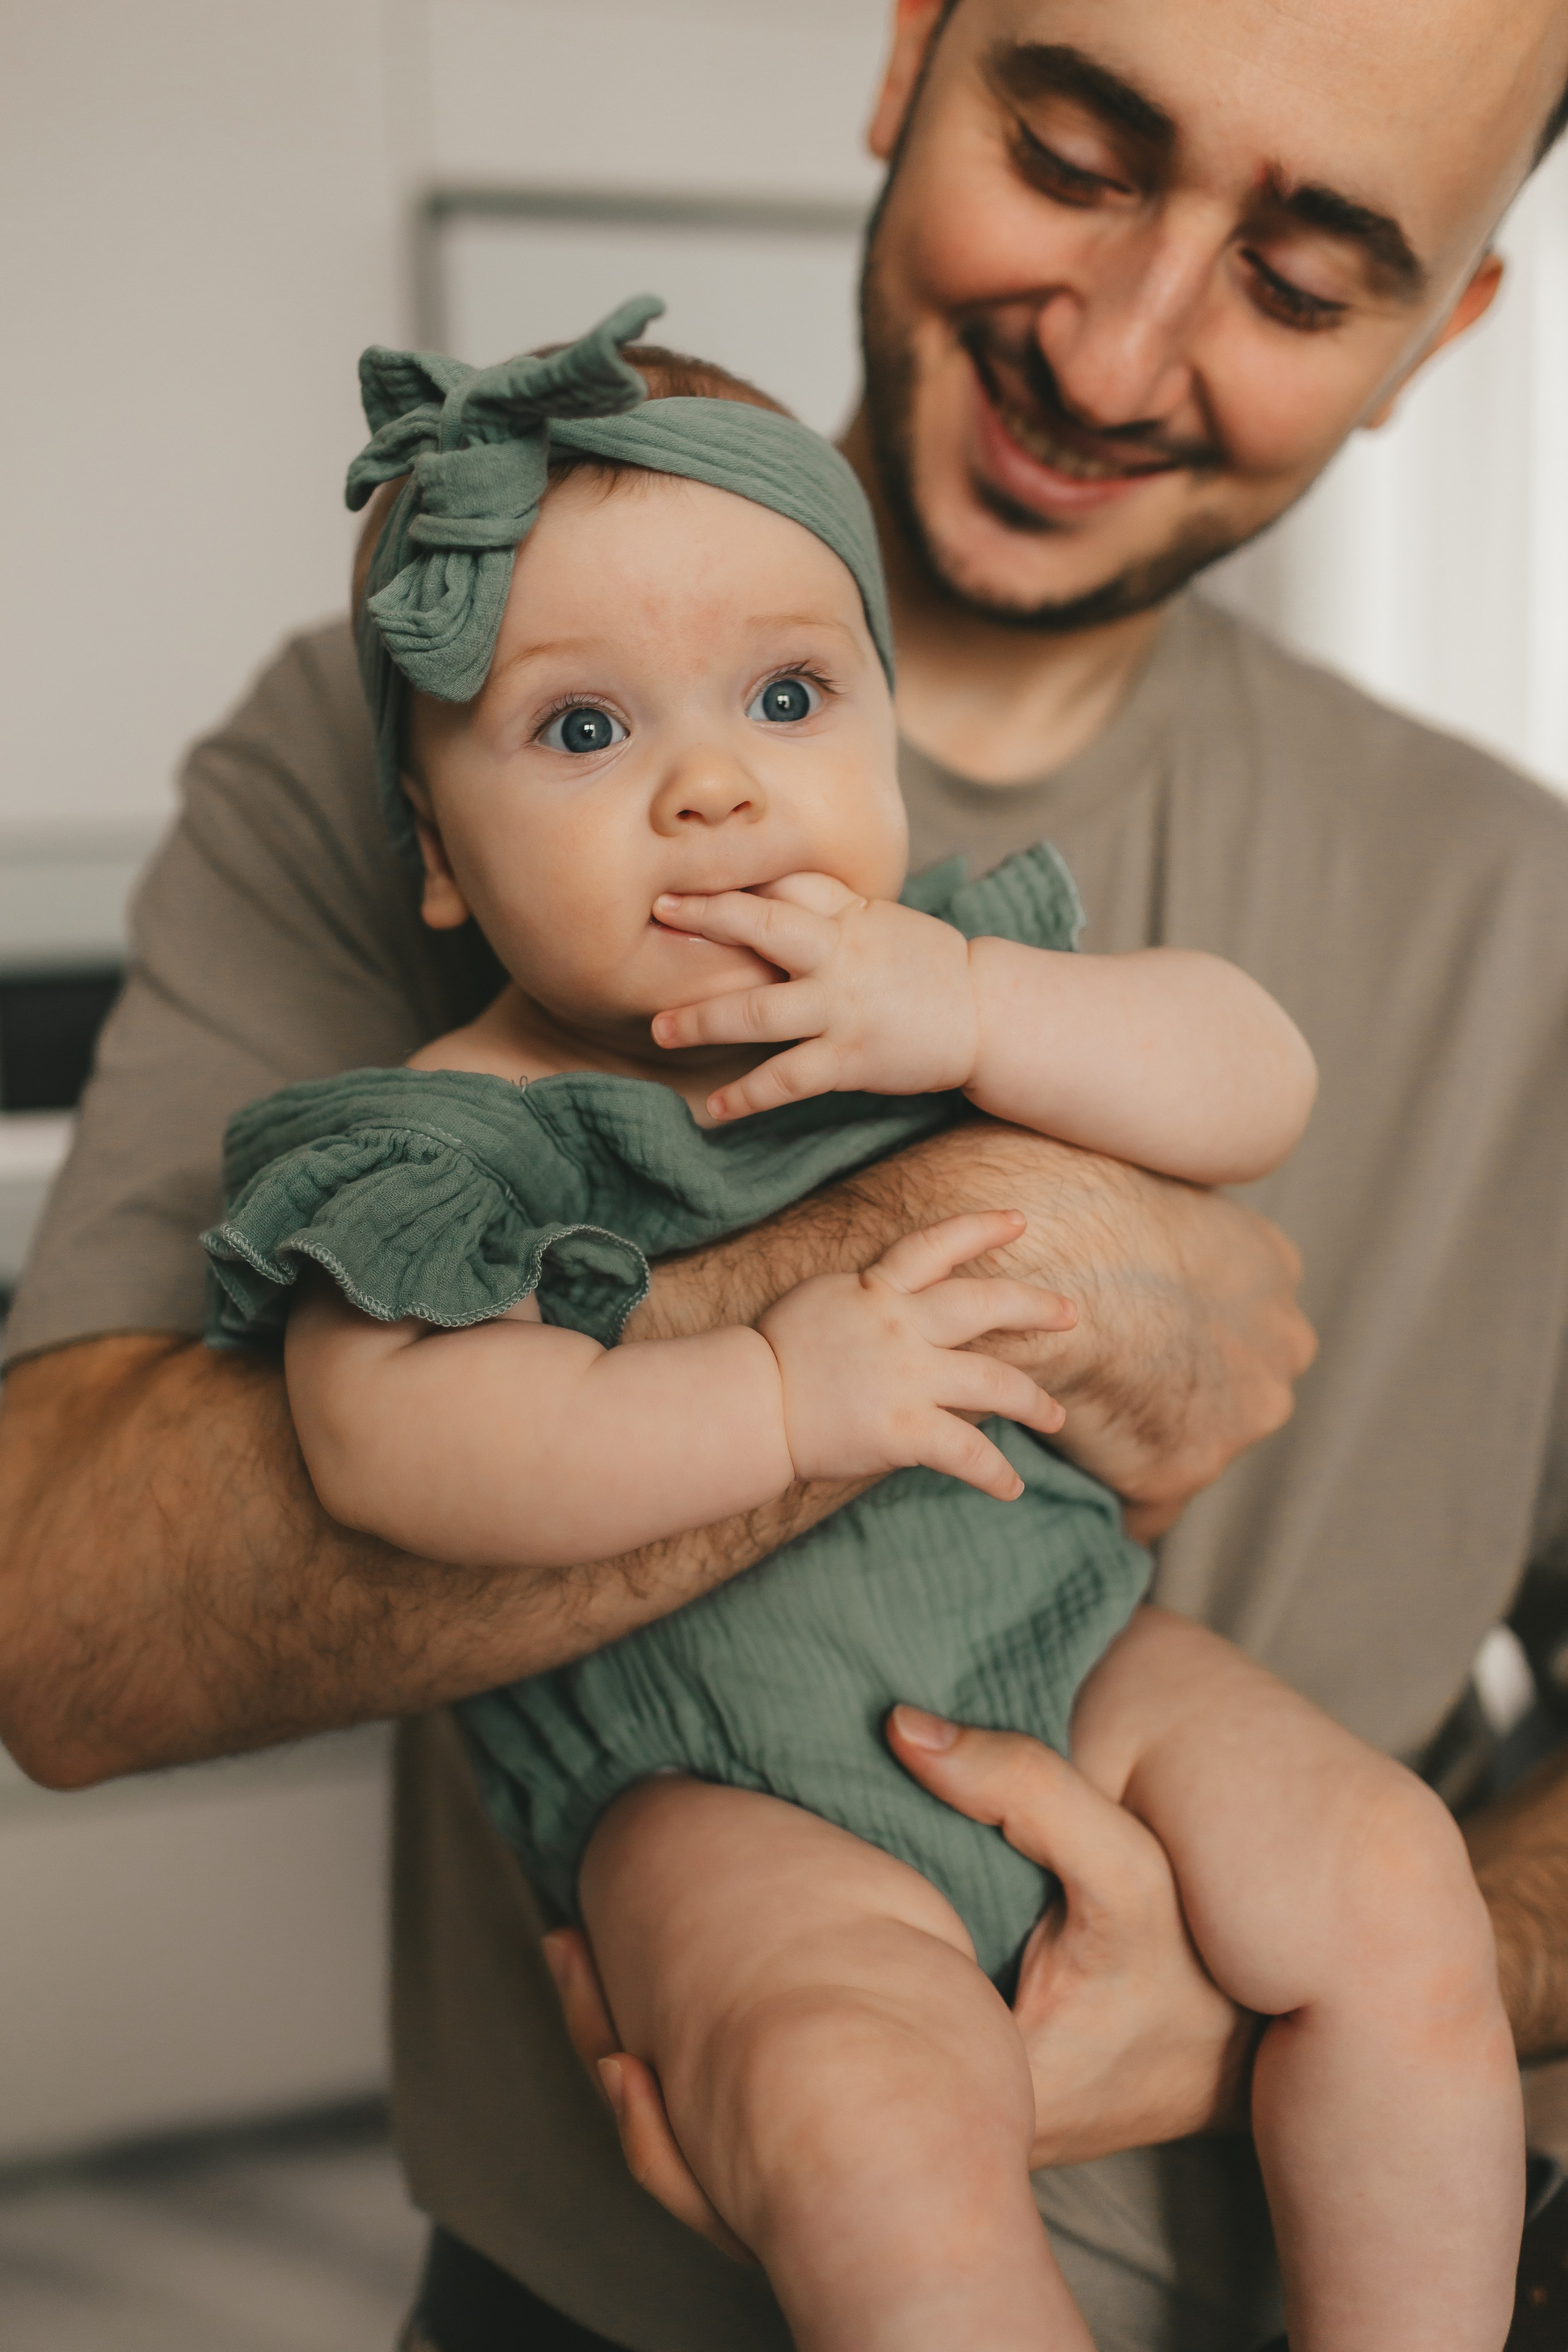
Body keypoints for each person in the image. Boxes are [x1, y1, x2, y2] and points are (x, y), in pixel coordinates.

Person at [2, 0, 1568, 2345]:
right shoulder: (429, 1097)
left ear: (1441, 328)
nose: (1125, 341)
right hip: (703, 1873)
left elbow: (1244, 1067)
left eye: (1304, 275)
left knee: (1374, 1878)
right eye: (1070, 148)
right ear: (910, 55)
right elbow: (149, 1567)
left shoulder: (1088, 948)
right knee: (863, 2114)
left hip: (1085, 1677)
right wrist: (842, 1340)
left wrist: (971, 1022)